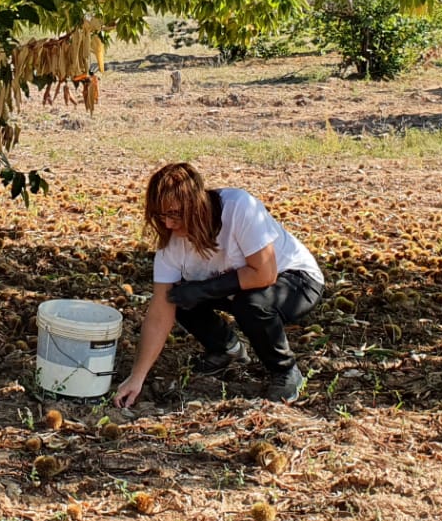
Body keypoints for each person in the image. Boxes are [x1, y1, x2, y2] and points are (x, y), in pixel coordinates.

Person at [113, 163, 324, 408]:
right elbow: (160, 311)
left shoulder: (239, 208)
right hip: (240, 285)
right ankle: (225, 348)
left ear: (196, 204)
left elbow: (265, 274)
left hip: (295, 280)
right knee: (177, 296)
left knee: (251, 304)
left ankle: (285, 371)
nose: (168, 224)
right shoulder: (170, 244)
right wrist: (137, 377)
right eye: (161, 216)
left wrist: (203, 290)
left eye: (175, 214)